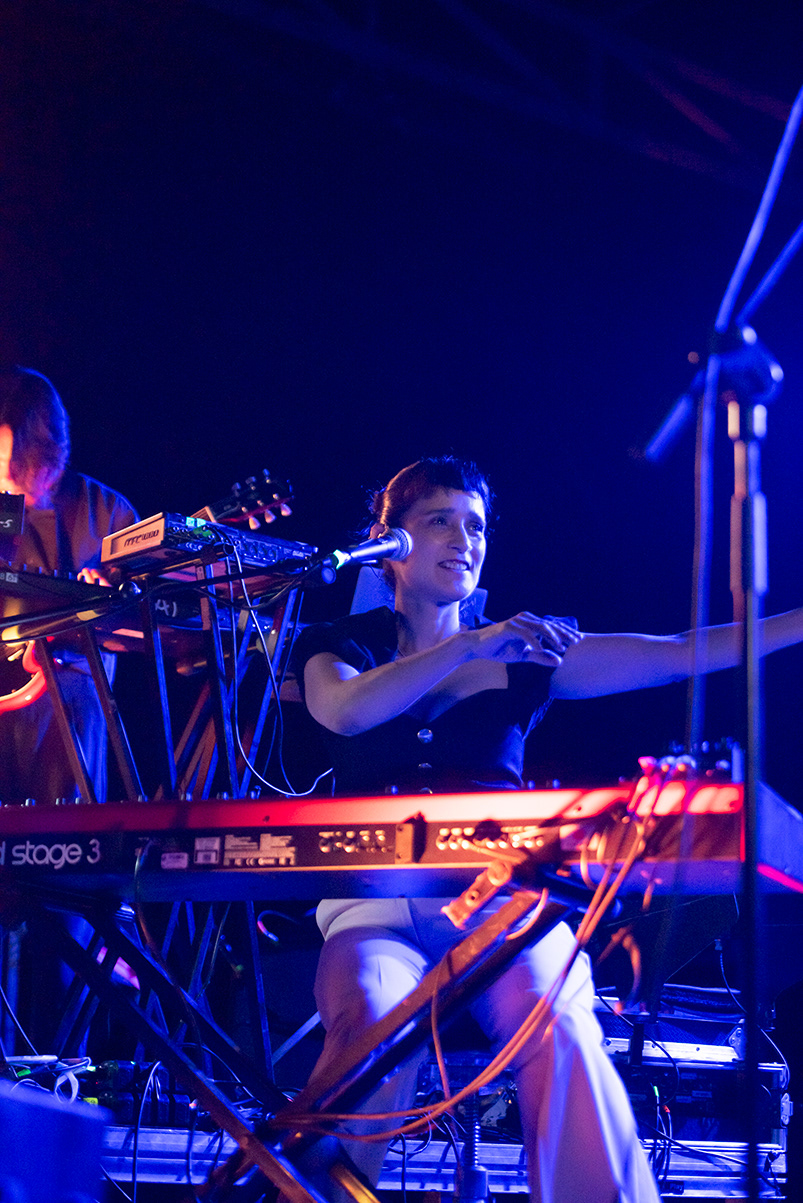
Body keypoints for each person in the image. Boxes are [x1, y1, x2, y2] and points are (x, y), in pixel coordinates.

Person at [288, 456, 803, 1203]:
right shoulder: (339, 643)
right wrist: (469, 644)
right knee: (370, 1027)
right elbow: (345, 712)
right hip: (370, 909)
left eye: (476, 527)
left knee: (558, 1022)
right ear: (389, 542)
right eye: (440, 520)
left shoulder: (528, 653)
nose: (463, 540)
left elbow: (675, 651)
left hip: (500, 907)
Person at [0, 365, 138, 806]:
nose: (4, 480)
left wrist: (106, 604)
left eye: (12, 466)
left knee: (73, 697)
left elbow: (144, 620)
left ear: (45, 454)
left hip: (67, 703)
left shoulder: (107, 512)